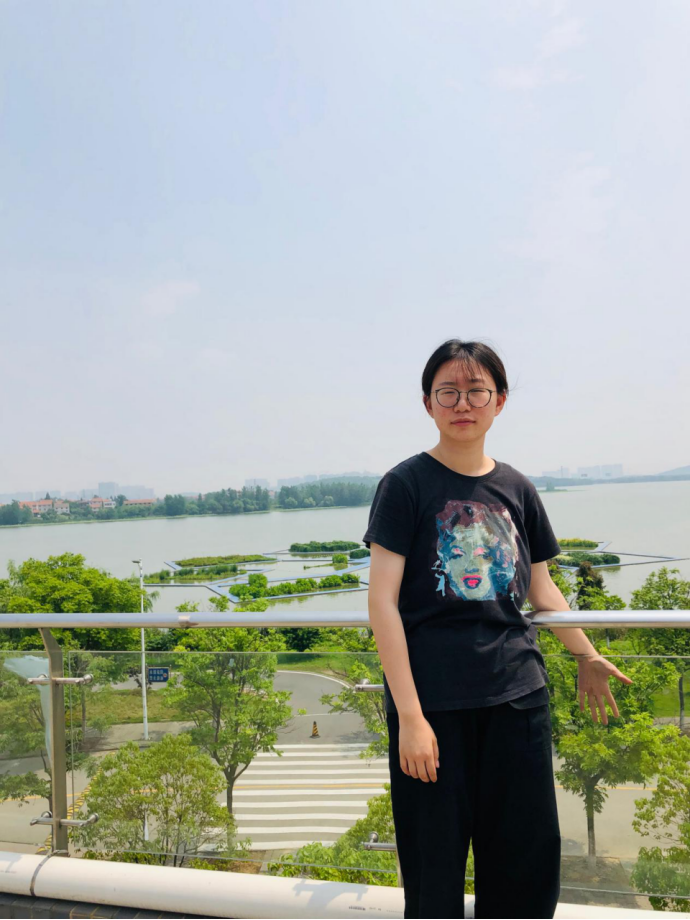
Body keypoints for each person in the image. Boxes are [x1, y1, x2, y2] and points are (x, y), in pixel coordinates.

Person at [362, 338, 633, 920]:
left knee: (524, 868)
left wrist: (585, 654)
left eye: (476, 391)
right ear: (428, 404)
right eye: (448, 392)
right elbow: (382, 602)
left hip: (518, 698)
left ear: (499, 401)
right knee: (433, 872)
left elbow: (541, 589)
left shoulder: (517, 488)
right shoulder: (405, 484)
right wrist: (409, 718)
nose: (463, 403)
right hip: (433, 707)